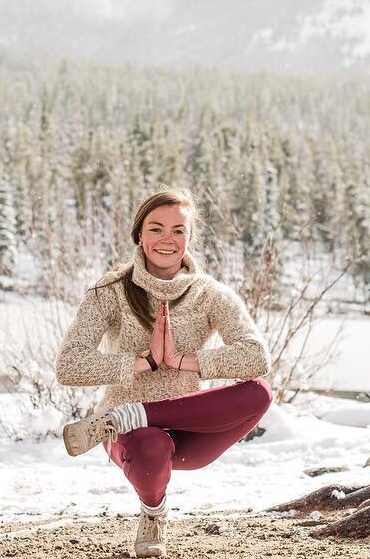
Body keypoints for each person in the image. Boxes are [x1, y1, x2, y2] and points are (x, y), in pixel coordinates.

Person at [55, 187, 273, 558]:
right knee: (151, 441)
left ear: (190, 238)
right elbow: (69, 365)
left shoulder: (211, 294)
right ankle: (153, 513)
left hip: (190, 430)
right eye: (156, 229)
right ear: (140, 234)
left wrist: (184, 361)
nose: (166, 240)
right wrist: (144, 363)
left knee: (259, 392)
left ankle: (132, 415)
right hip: (130, 436)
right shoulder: (110, 292)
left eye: (178, 230)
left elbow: (257, 358)